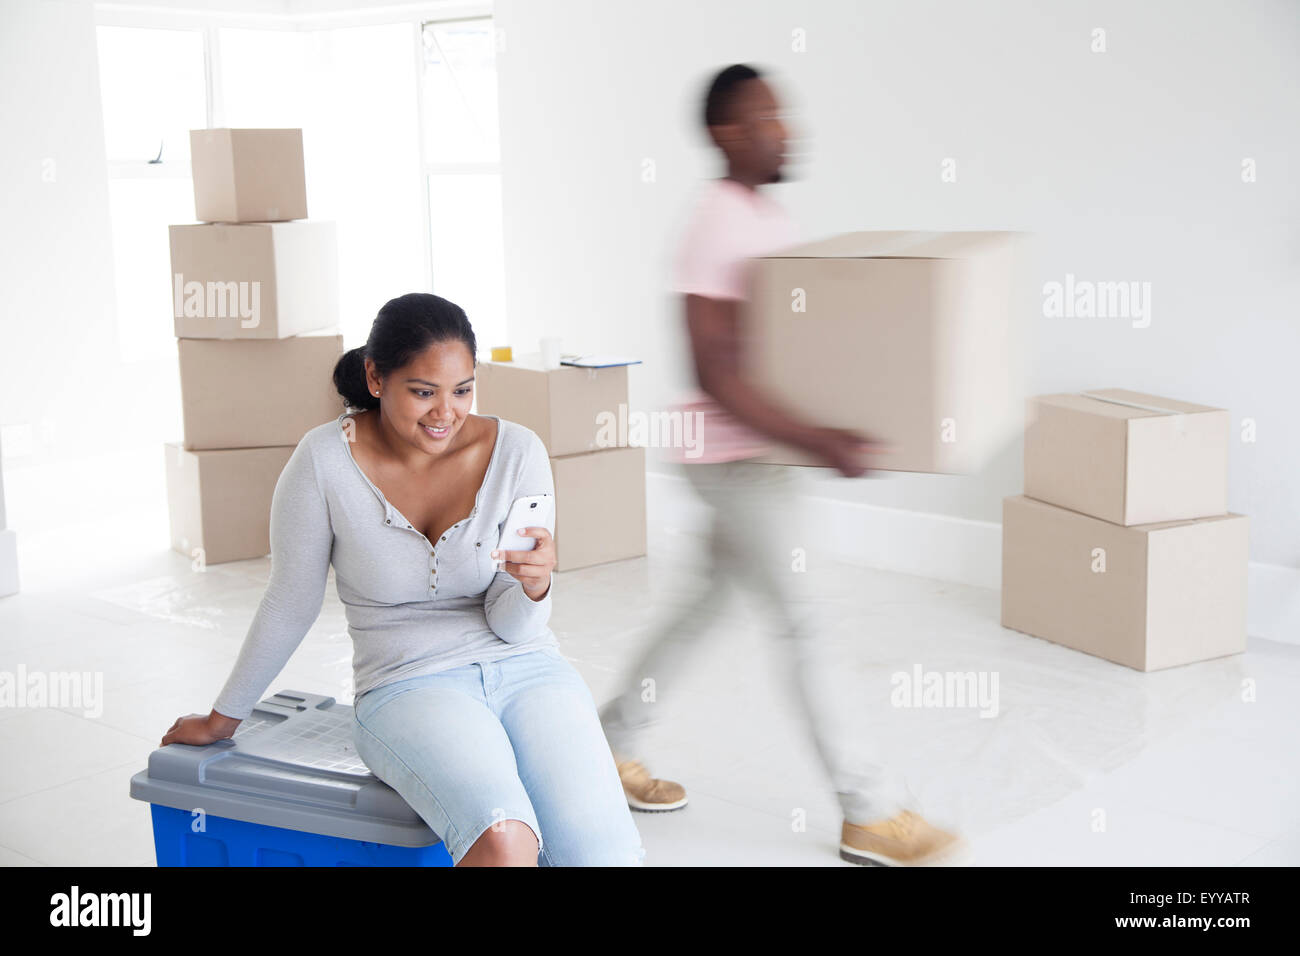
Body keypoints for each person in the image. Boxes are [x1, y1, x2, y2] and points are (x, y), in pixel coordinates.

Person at [596, 64, 969, 866]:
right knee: (811, 620)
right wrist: (817, 441)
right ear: (726, 134)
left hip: (753, 451)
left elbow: (787, 350)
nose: (785, 129)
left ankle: (603, 748)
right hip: (733, 458)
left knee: (702, 608)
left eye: (785, 116)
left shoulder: (764, 216)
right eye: (766, 119)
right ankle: (869, 811)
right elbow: (715, 372)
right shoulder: (715, 223)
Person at [161, 292, 645, 867]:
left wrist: (534, 586)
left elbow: (513, 628)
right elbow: (290, 603)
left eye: (462, 390)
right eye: (423, 392)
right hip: (407, 683)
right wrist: (223, 718)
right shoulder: (321, 462)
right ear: (374, 377)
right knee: (504, 839)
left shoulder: (518, 452)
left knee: (602, 858)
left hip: (529, 668)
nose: (446, 413)